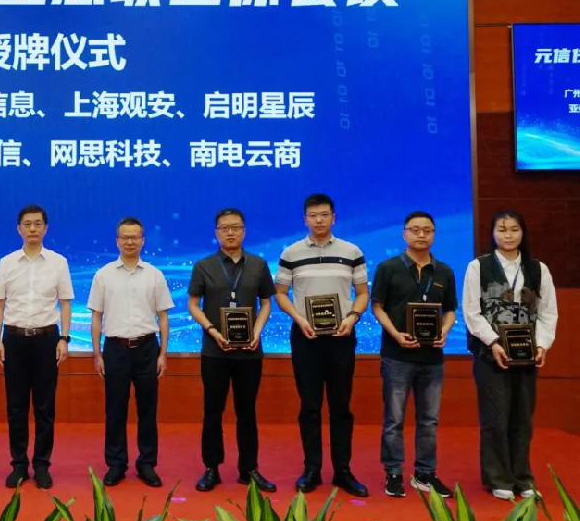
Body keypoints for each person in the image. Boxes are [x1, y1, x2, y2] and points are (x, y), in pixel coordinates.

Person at [275, 193, 369, 497]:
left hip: (342, 337)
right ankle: (311, 470)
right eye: (313, 215)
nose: (319, 220)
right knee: (310, 406)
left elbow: (362, 293)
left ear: (333, 217)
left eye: (324, 214)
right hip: (306, 338)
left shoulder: (351, 251)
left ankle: (343, 471)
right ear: (305, 219)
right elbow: (280, 293)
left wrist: (352, 317)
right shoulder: (291, 253)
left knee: (341, 406)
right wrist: (298, 318)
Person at [462, 211, 558, 500]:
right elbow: (472, 312)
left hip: (527, 355)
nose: (508, 235)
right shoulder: (478, 267)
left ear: (522, 233)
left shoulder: (538, 269)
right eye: (502, 229)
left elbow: (548, 311)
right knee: (495, 418)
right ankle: (498, 478)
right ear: (493, 233)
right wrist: (493, 341)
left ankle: (522, 478)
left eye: (514, 229)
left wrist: (542, 345)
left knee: (522, 419)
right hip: (490, 354)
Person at [188, 208, 277, 493]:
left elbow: (266, 303)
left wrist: (257, 331)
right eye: (224, 228)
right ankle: (211, 468)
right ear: (216, 233)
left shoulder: (259, 265)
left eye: (236, 227)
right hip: (214, 351)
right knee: (213, 411)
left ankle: (249, 469)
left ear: (244, 231)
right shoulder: (204, 266)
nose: (230, 233)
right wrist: (212, 330)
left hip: (249, 351)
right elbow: (193, 304)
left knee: (247, 411)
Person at [370, 210, 457, 499]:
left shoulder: (444, 271)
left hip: (432, 359)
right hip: (397, 356)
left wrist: (445, 331)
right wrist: (396, 334)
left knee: (429, 420)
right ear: (404, 233)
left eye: (427, 230)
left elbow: (450, 310)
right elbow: (377, 307)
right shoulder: (388, 268)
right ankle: (393, 472)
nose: (421, 235)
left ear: (434, 234)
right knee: (394, 419)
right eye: (415, 229)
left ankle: (425, 473)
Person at [0, 204, 74, 490]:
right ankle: (18, 465)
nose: (32, 229)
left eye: (37, 224)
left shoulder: (58, 262)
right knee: (16, 406)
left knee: (44, 406)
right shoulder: (6, 263)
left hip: (46, 340)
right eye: (27, 224)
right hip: (14, 340)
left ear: (45, 228)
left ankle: (41, 465)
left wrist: (64, 338)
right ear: (19, 229)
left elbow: (65, 303)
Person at [89, 217, 173, 488]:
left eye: (134, 237)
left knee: (148, 409)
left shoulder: (154, 275)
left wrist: (163, 354)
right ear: (117, 241)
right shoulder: (103, 275)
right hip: (115, 349)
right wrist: (97, 354)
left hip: (148, 348)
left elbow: (163, 317)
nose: (129, 242)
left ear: (142, 241)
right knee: (115, 409)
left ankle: (147, 463)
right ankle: (116, 464)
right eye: (124, 237)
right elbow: (96, 317)